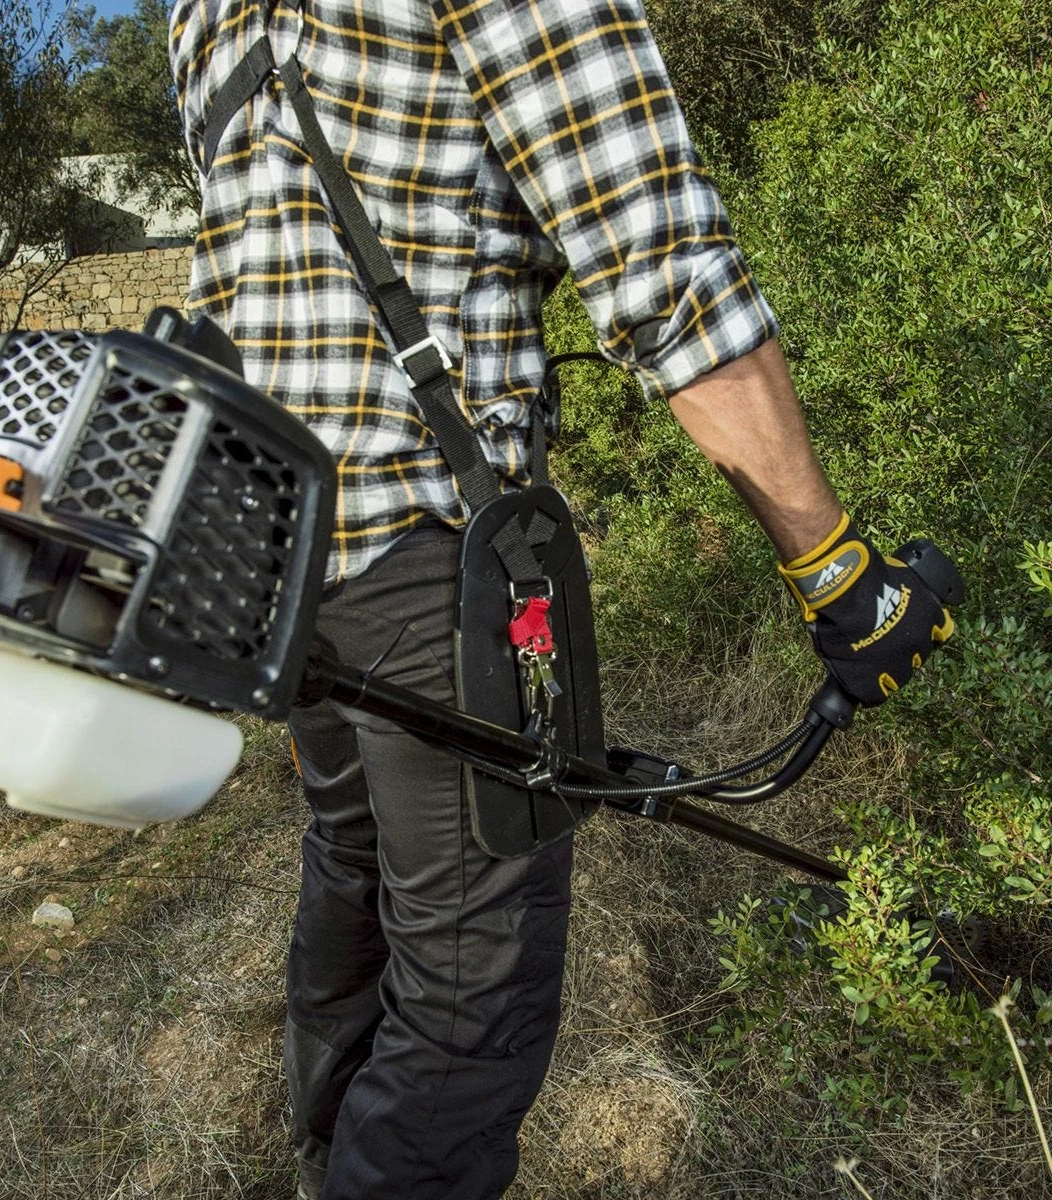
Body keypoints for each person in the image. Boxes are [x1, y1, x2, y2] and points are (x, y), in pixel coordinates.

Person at [168, 3, 952, 1197]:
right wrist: (835, 567)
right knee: (470, 996)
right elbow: (662, 266)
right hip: (426, 533)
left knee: (357, 860)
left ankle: (331, 1156)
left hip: (280, 540)